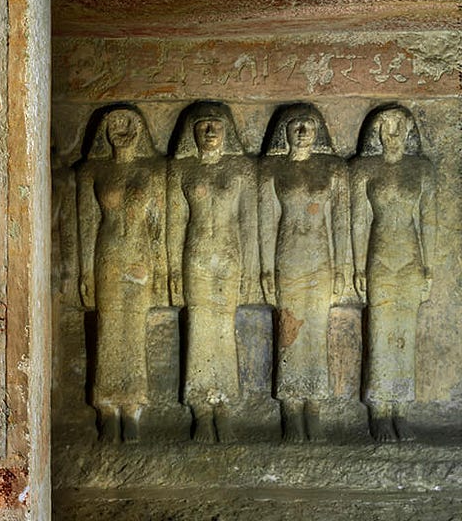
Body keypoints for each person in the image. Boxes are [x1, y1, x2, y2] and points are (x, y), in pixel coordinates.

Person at [76, 104, 167, 442]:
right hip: (108, 256)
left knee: (136, 328)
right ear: (105, 130)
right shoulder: (93, 171)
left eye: (128, 122)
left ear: (140, 129)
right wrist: (85, 271)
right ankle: (106, 407)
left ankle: (133, 406)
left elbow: (158, 227)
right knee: (109, 327)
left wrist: (162, 268)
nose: (122, 128)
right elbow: (87, 225)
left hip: (141, 256)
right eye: (115, 123)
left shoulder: (151, 171)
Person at [167, 101, 257, 442]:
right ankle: (201, 410)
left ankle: (225, 405)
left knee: (224, 328)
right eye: (203, 125)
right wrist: (172, 269)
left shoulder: (241, 169)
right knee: (200, 328)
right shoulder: (182, 170)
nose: (209, 131)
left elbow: (248, 223)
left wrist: (253, 268)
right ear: (192, 132)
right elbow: (175, 223)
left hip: (230, 258)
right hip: (196, 257)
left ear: (226, 131)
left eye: (216, 125)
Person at [258, 103, 349, 442]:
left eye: (308, 126)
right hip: (288, 258)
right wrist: (265, 269)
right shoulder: (272, 168)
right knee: (289, 330)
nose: (301, 132)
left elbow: (340, 222)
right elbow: (266, 224)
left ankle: (314, 406)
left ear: (318, 131)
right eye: (295, 126)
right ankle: (291, 407)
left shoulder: (332, 168)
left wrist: (343, 267)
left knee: (317, 331)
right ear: (285, 131)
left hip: (321, 260)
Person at [351, 104, 435, 442]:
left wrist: (429, 268)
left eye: (400, 125)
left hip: (411, 258)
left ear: (410, 130)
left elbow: (428, 221)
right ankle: (380, 409)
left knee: (405, 333)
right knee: (381, 331)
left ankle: (401, 407)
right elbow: (359, 222)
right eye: (386, 126)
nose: (393, 132)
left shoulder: (421, 169)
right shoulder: (364, 169)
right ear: (377, 132)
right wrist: (358, 267)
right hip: (379, 258)